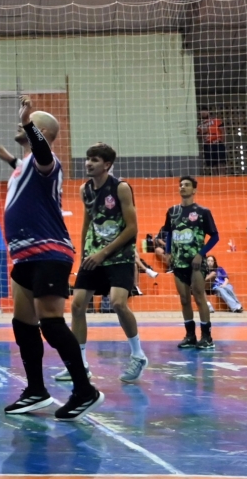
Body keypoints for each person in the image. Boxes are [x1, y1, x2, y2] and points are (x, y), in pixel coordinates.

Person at [3, 96, 103, 421]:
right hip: (23, 256)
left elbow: (42, 154)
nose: (20, 126)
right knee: (23, 324)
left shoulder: (47, 161)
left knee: (51, 322)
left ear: (42, 132)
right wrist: (7, 157)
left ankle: (84, 390)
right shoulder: (23, 166)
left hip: (48, 252)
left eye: (29, 125)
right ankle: (36, 390)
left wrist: (27, 121)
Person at [65, 143, 148, 385]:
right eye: (87, 158)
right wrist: (84, 253)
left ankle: (138, 355)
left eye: (95, 160)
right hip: (93, 254)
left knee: (118, 303)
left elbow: (132, 228)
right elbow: (86, 222)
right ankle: (80, 364)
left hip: (119, 255)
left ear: (107, 164)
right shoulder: (85, 189)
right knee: (77, 305)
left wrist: (103, 253)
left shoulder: (120, 188)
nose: (88, 163)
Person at [162, 176, 219, 349]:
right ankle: (190, 336)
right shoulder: (172, 211)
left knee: (200, 298)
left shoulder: (203, 212)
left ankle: (207, 337)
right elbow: (169, 233)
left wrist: (201, 254)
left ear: (194, 190)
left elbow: (215, 236)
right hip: (178, 263)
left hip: (196, 264)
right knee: (184, 299)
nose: (182, 187)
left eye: (186, 185)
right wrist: (168, 252)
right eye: (180, 185)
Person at [197, 109, 227, 175]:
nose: (203, 113)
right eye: (201, 112)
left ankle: (222, 176)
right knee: (212, 163)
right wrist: (203, 133)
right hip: (208, 145)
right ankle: (216, 177)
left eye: (204, 112)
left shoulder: (216, 120)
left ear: (208, 112)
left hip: (217, 142)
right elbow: (199, 136)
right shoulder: (200, 125)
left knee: (221, 161)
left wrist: (222, 141)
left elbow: (222, 130)